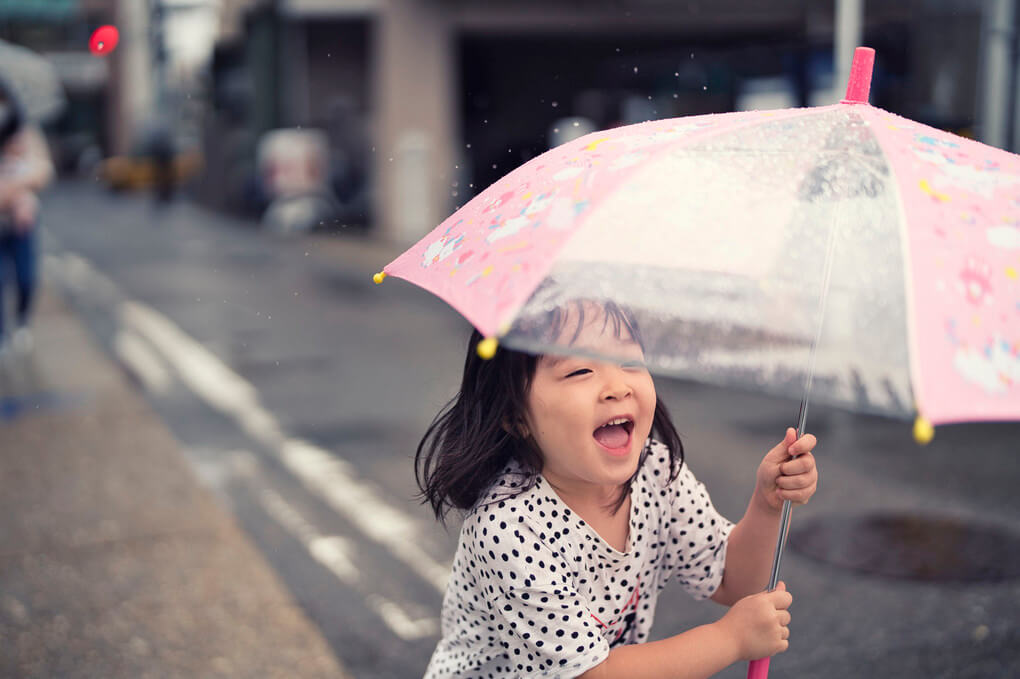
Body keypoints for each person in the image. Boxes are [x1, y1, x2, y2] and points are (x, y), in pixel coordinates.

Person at [416, 301, 819, 678]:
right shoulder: (507, 528)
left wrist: (767, 504)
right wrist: (729, 639)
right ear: (513, 415)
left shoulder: (656, 472)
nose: (617, 386)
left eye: (628, 361)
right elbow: (590, 673)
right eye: (579, 371)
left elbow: (734, 580)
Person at [0, 85, 53, 358]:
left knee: (26, 277)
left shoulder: (26, 132)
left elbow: (43, 170)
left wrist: (17, 189)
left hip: (23, 221)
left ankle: (21, 321)